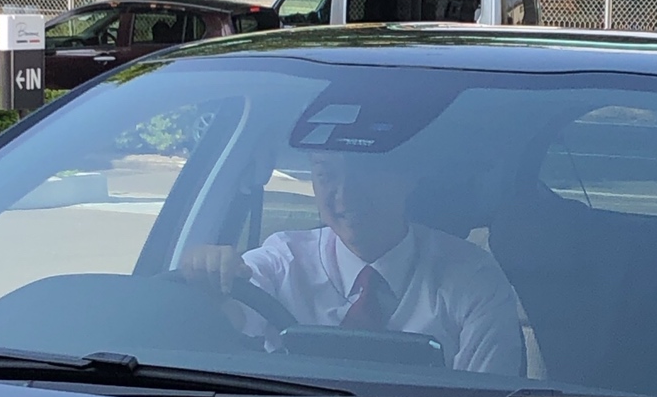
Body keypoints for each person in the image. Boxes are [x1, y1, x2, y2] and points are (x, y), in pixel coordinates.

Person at [180, 145, 526, 373]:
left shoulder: (472, 279)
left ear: (409, 176)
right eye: (326, 175)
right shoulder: (282, 261)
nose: (345, 195)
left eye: (365, 171)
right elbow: (229, 311)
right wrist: (207, 279)